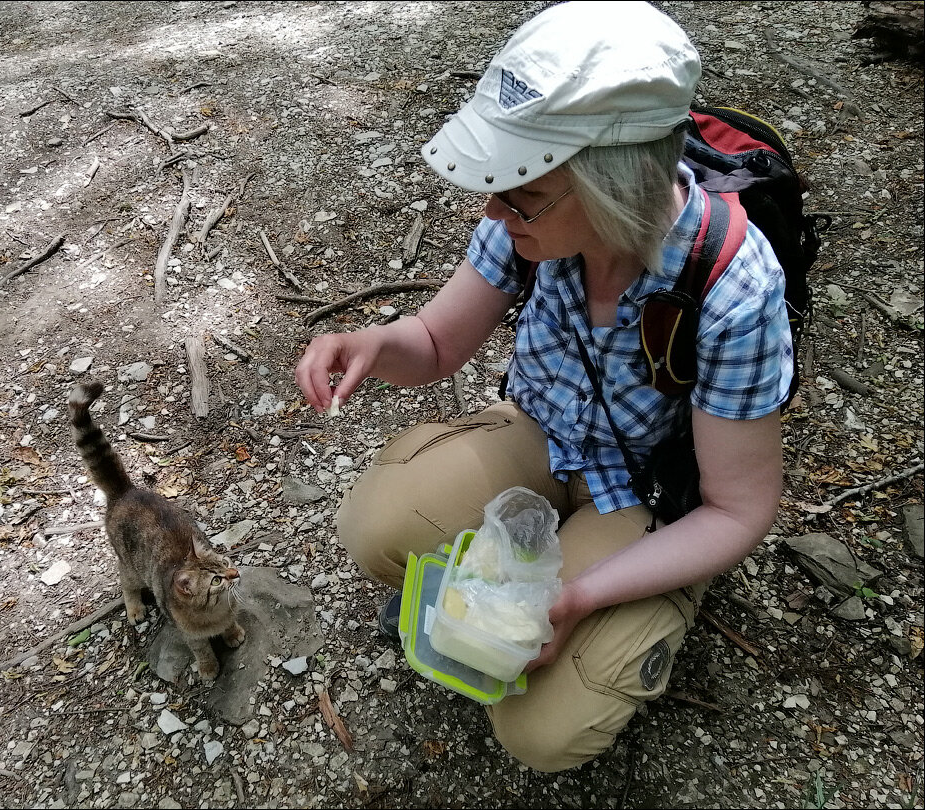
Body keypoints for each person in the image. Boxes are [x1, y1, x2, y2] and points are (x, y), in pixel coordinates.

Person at [294, 0, 791, 773]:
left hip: (647, 498)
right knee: (376, 527)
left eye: (520, 193)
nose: (493, 210)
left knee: (541, 733)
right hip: (541, 436)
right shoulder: (527, 217)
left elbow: (739, 509)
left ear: (610, 186)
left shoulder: (732, 287)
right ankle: (546, 567)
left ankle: (643, 599)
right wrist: (371, 343)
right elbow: (433, 343)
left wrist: (580, 596)